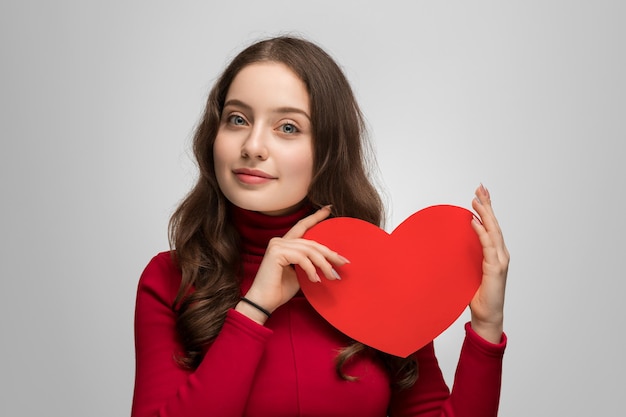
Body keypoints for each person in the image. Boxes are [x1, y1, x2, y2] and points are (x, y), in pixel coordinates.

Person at [131, 36, 509, 417]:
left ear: (328, 150)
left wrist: (486, 329)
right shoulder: (170, 279)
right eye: (238, 119)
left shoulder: (382, 279)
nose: (253, 145)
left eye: (288, 127)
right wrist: (254, 308)